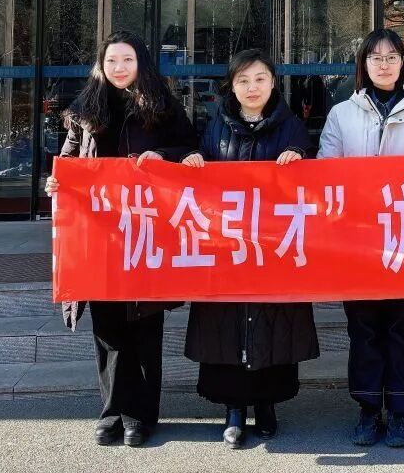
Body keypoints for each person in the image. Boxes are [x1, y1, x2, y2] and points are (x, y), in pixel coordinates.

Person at [45, 30, 199, 449]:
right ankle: (111, 412)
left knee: (145, 327)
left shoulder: (163, 106)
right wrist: (57, 182)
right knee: (108, 328)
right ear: (101, 65)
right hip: (100, 234)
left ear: (141, 63)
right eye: (111, 60)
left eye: (127, 59)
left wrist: (163, 157)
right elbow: (69, 161)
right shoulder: (84, 110)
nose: (119, 67)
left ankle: (141, 416)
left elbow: (191, 149)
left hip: (148, 232)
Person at [180, 48, 319, 448]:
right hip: (227, 247)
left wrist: (300, 158)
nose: (252, 87)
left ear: (273, 83)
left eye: (260, 79)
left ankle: (267, 404)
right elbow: (199, 176)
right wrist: (193, 160)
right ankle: (234, 409)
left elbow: (312, 179)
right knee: (227, 325)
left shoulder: (292, 127)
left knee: (271, 323)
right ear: (232, 85)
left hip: (274, 248)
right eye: (243, 80)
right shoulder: (214, 126)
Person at [319, 28, 404, 449]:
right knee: (363, 329)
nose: (384, 64)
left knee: (401, 328)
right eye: (375, 57)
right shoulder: (342, 114)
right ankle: (368, 408)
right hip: (356, 239)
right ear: (364, 64)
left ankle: (401, 412)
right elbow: (327, 171)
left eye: (392, 57)